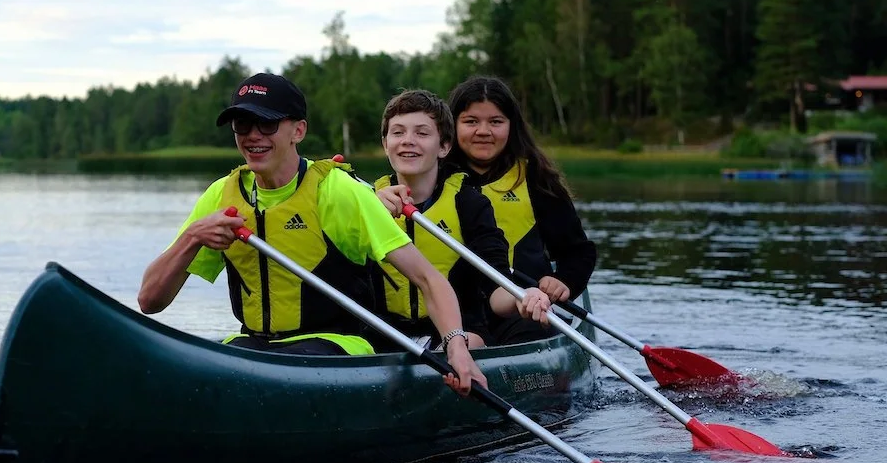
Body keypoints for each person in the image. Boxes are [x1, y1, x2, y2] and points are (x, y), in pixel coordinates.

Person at [138, 72, 486, 394]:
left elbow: (428, 278)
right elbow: (150, 302)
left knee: (278, 370)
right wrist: (192, 237)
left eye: (268, 123)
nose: (253, 135)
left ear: (298, 131)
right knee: (212, 368)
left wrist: (457, 347)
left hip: (336, 345)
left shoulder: (337, 191)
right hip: (254, 346)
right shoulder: (220, 195)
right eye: (243, 124)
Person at [371, 89, 550, 350]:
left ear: (444, 146)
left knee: (471, 344)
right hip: (383, 333)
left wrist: (522, 297)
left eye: (422, 133)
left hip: (459, 332)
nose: (408, 141)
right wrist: (369, 207)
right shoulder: (365, 201)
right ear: (386, 144)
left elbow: (496, 288)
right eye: (398, 133)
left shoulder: (469, 204)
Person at [445, 76, 597, 343]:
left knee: (530, 329)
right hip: (452, 316)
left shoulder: (535, 178)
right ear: (451, 127)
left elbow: (577, 252)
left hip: (523, 314)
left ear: (511, 126)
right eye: (471, 122)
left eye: (496, 122)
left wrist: (564, 281)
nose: (483, 131)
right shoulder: (435, 178)